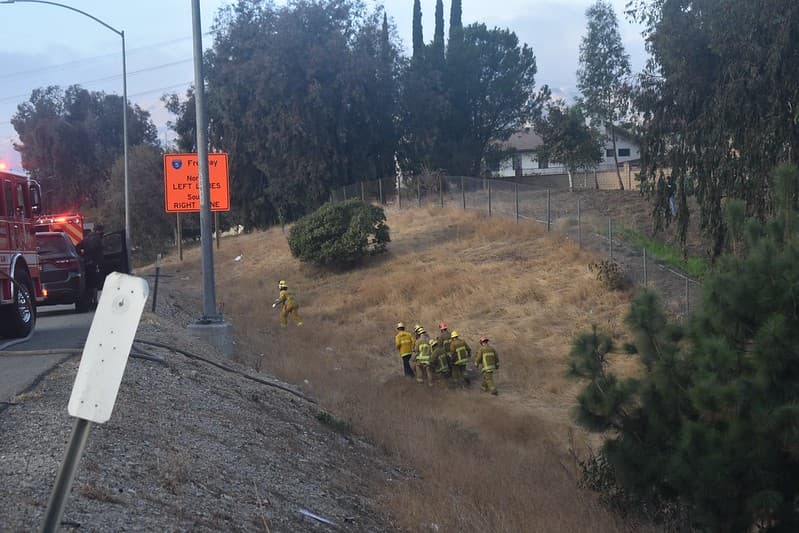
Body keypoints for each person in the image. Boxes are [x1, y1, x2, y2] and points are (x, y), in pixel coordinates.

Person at [77, 224, 105, 291]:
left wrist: (82, 256)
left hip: (87, 261)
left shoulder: (86, 238)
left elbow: (77, 247)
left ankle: (91, 287)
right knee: (98, 275)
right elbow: (98, 249)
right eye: (102, 231)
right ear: (98, 231)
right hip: (96, 261)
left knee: (89, 276)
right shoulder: (97, 238)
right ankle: (99, 286)